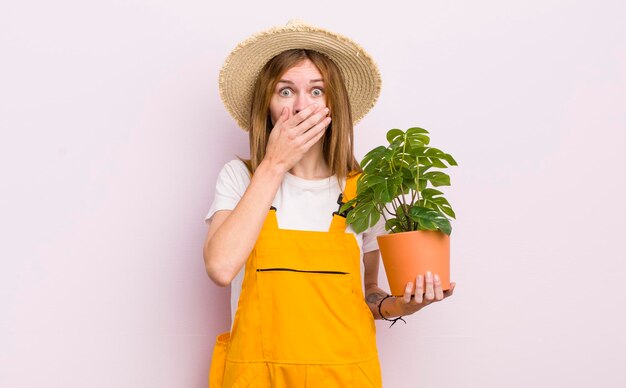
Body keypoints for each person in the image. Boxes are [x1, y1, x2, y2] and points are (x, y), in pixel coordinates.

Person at [203, 20, 455, 387]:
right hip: (259, 377)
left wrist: (405, 304)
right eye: (285, 92)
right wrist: (274, 164)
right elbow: (221, 268)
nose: (302, 106)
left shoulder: (364, 191)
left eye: (316, 91)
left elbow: (369, 295)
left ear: (333, 104)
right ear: (268, 106)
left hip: (346, 376)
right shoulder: (241, 178)